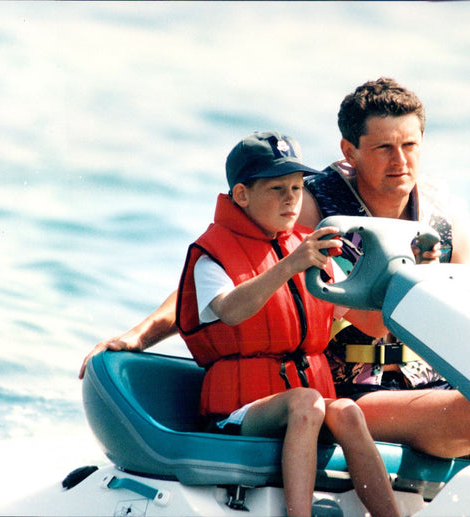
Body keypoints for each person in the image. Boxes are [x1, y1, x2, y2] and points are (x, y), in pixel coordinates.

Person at [80, 78, 470, 460]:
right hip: (347, 393)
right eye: (383, 147)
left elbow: (464, 315)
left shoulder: (446, 215)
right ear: (350, 150)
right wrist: (139, 336)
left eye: (410, 145)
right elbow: (226, 274)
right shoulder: (309, 207)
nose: (400, 160)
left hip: (429, 386)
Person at [170, 131, 399, 517]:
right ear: (241, 195)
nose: (292, 198)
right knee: (308, 402)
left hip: (299, 402)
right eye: (278, 188)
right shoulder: (212, 257)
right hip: (237, 413)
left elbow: (367, 320)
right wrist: (291, 265)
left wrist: (403, 273)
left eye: (297, 187)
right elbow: (231, 311)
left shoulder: (310, 248)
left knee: (347, 411)